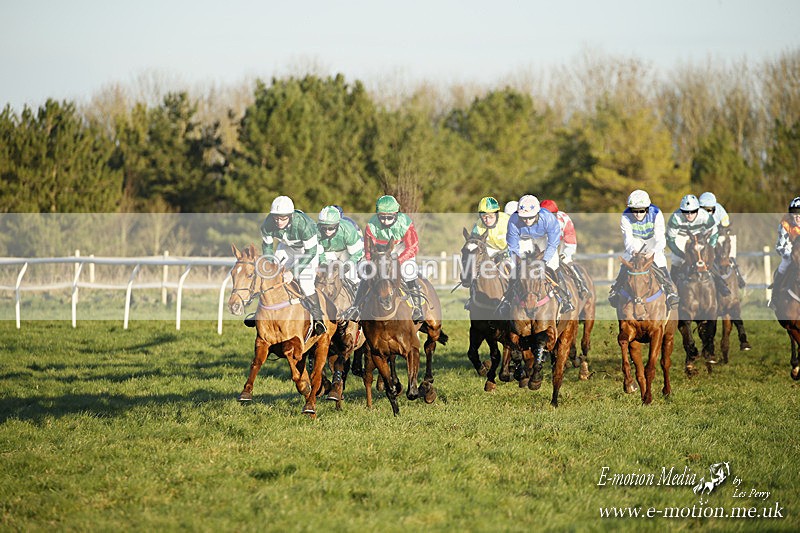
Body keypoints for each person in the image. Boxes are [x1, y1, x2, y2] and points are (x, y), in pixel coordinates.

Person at [342, 194, 424, 322]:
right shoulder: (371, 225)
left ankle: (417, 308)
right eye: (382, 217)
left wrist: (398, 261)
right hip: (380, 252)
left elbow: (412, 247)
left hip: (401, 249)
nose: (385, 221)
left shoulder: (406, 223)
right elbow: (368, 249)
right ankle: (356, 308)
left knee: (409, 271)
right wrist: (371, 264)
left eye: (389, 217)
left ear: (396, 214)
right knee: (367, 273)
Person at [259, 195, 327, 336]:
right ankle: (260, 313)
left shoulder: (304, 225)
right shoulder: (267, 224)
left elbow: (311, 251)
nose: (278, 221)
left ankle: (318, 320)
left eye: (283, 218)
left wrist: (293, 272)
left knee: (305, 282)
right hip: (286, 247)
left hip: (307, 250)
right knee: (270, 277)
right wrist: (270, 266)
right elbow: (267, 248)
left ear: (290, 216)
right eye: (276, 218)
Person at [607, 190, 679, 310]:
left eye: (641, 210)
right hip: (636, 240)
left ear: (647, 208)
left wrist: (653, 252)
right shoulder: (625, 216)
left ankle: (670, 290)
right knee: (626, 259)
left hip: (653, 240)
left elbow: (661, 238)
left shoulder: (656, 213)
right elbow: (628, 239)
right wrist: (633, 251)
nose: (638, 214)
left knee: (660, 260)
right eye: (634, 210)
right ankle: (616, 288)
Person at [503, 194, 575, 314]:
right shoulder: (513, 220)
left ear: (537, 213)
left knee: (553, 265)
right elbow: (513, 246)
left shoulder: (549, 218)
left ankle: (565, 298)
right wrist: (518, 262)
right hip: (524, 239)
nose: (527, 221)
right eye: (523, 218)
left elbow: (553, 243)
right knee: (515, 268)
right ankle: (507, 300)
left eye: (530, 217)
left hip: (544, 239)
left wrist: (544, 261)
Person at [666, 194, 730, 296]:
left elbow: (714, 233)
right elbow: (670, 240)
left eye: (693, 212)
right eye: (686, 212)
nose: (689, 215)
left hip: (700, 235)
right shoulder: (675, 218)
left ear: (698, 209)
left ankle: (720, 283)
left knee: (707, 258)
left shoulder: (705, 216)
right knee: (677, 260)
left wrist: (710, 248)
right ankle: (672, 291)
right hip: (682, 236)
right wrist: (683, 255)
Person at [540, 199, 588, 297]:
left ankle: (580, 285)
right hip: (544, 245)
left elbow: (571, 243)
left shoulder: (564, 220)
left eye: (552, 215)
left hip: (562, 243)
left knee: (566, 261)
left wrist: (564, 254)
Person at [699, 192, 745, 289]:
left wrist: (722, 227)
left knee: (730, 254)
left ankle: (738, 276)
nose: (707, 211)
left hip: (719, 233)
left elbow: (725, 221)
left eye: (710, 209)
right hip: (705, 237)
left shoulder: (719, 209)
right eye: (704, 209)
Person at [316, 205, 364, 292]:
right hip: (328, 252)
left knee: (351, 275)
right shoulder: (316, 231)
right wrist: (323, 262)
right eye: (324, 228)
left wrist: (348, 265)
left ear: (338, 224)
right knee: (327, 274)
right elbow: (319, 252)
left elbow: (356, 253)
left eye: (331, 228)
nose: (327, 231)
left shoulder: (348, 230)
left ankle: (356, 294)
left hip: (346, 251)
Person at [770, 196, 800, 309]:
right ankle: (774, 298)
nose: (797, 217)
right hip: (789, 253)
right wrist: (792, 256)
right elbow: (781, 246)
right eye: (794, 213)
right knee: (783, 267)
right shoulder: (785, 224)